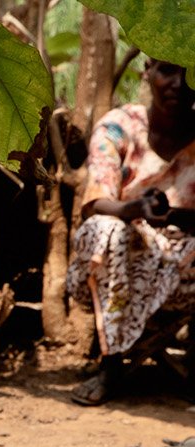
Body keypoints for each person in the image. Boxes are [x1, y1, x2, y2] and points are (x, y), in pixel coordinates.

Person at [68, 59, 195, 408]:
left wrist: (176, 217)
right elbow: (97, 202)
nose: (178, 83)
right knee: (108, 230)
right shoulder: (120, 127)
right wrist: (135, 209)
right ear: (148, 71)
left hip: (183, 266)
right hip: (118, 262)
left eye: (188, 71)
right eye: (168, 70)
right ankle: (112, 364)